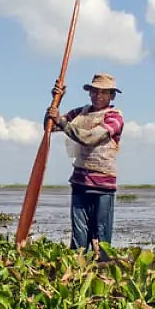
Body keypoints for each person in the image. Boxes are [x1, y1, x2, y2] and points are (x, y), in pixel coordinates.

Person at [46, 73, 124, 258]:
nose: (99, 96)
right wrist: (55, 102)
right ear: (89, 93)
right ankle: (77, 272)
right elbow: (50, 126)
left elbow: (89, 138)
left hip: (102, 185)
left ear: (111, 96)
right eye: (95, 92)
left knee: (102, 237)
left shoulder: (115, 117)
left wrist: (62, 122)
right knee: (79, 238)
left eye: (104, 93)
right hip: (80, 182)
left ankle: (103, 272)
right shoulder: (79, 113)